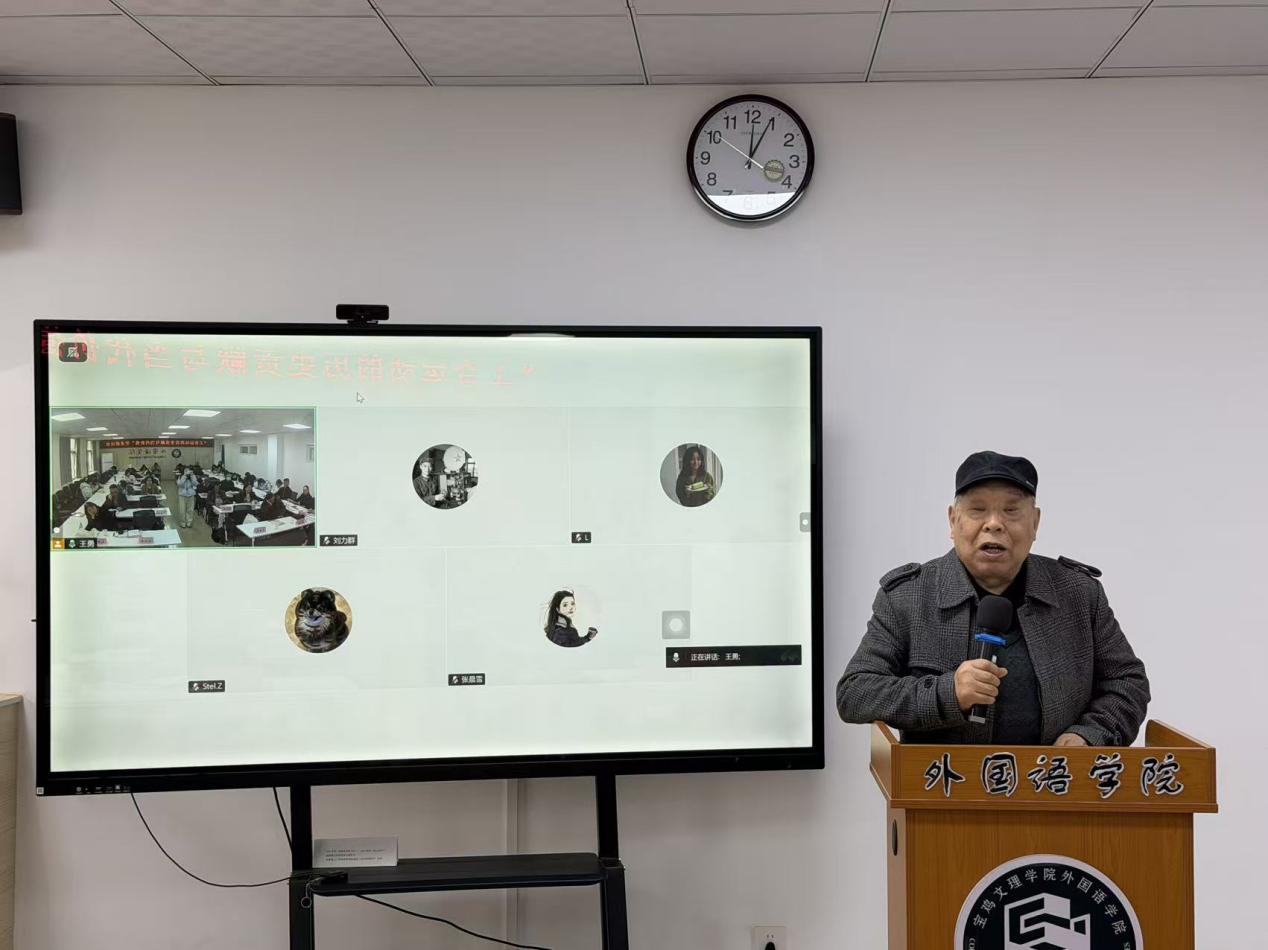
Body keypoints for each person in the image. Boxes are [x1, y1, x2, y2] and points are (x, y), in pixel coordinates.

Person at [837, 451, 1150, 747]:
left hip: (1052, 780)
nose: (994, 524)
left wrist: (1089, 735)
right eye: (977, 509)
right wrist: (947, 693)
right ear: (953, 520)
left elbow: (1127, 682)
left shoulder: (1078, 593)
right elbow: (856, 692)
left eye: (1011, 511)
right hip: (944, 783)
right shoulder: (908, 597)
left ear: (1035, 522)